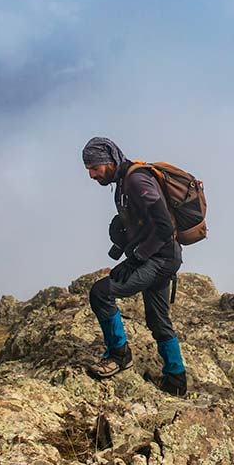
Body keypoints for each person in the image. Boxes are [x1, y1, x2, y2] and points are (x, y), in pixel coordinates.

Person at [82, 137, 187, 396]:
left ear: (109, 161)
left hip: (159, 259)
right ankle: (176, 379)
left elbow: (164, 225)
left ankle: (119, 355)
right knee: (157, 318)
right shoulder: (124, 181)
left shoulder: (136, 181)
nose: (92, 175)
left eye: (94, 168)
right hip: (164, 256)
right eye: (88, 169)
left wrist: (137, 258)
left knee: (101, 293)